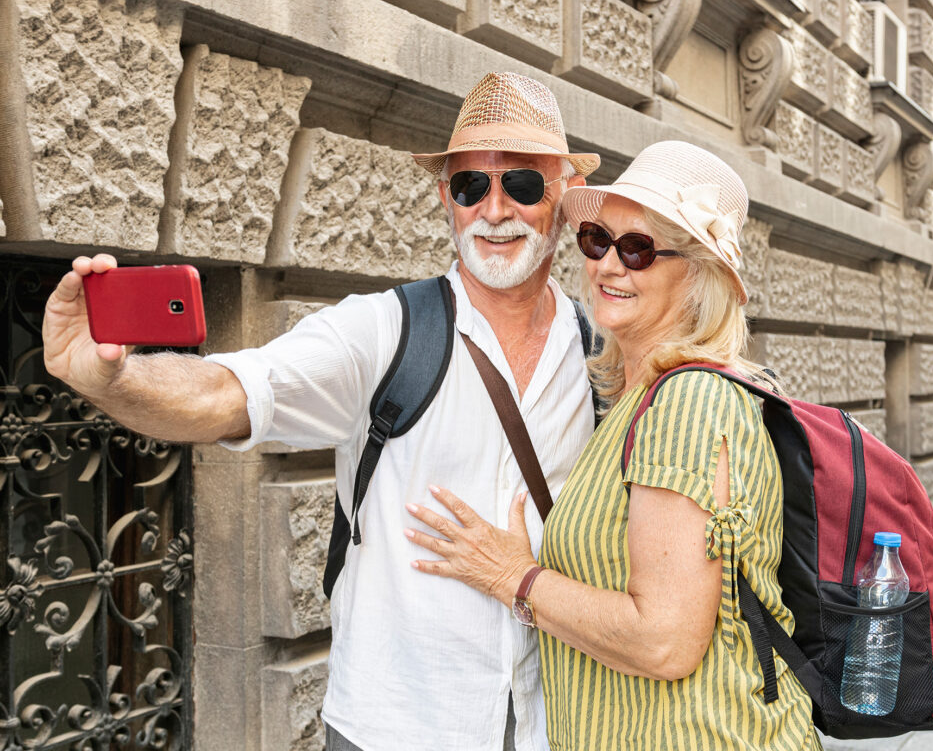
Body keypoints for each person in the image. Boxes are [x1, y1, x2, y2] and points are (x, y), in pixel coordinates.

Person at [41, 72, 602, 751]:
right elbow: (228, 393)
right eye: (470, 186)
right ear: (444, 200)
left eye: (522, 184)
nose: (493, 209)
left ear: (565, 195)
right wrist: (112, 380)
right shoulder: (384, 331)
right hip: (396, 728)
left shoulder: (601, 353)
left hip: (557, 724)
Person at [403, 140, 823, 750]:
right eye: (598, 239)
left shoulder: (686, 404)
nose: (608, 266)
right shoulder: (637, 399)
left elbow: (663, 640)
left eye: (639, 249)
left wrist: (514, 577)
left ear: (700, 272)